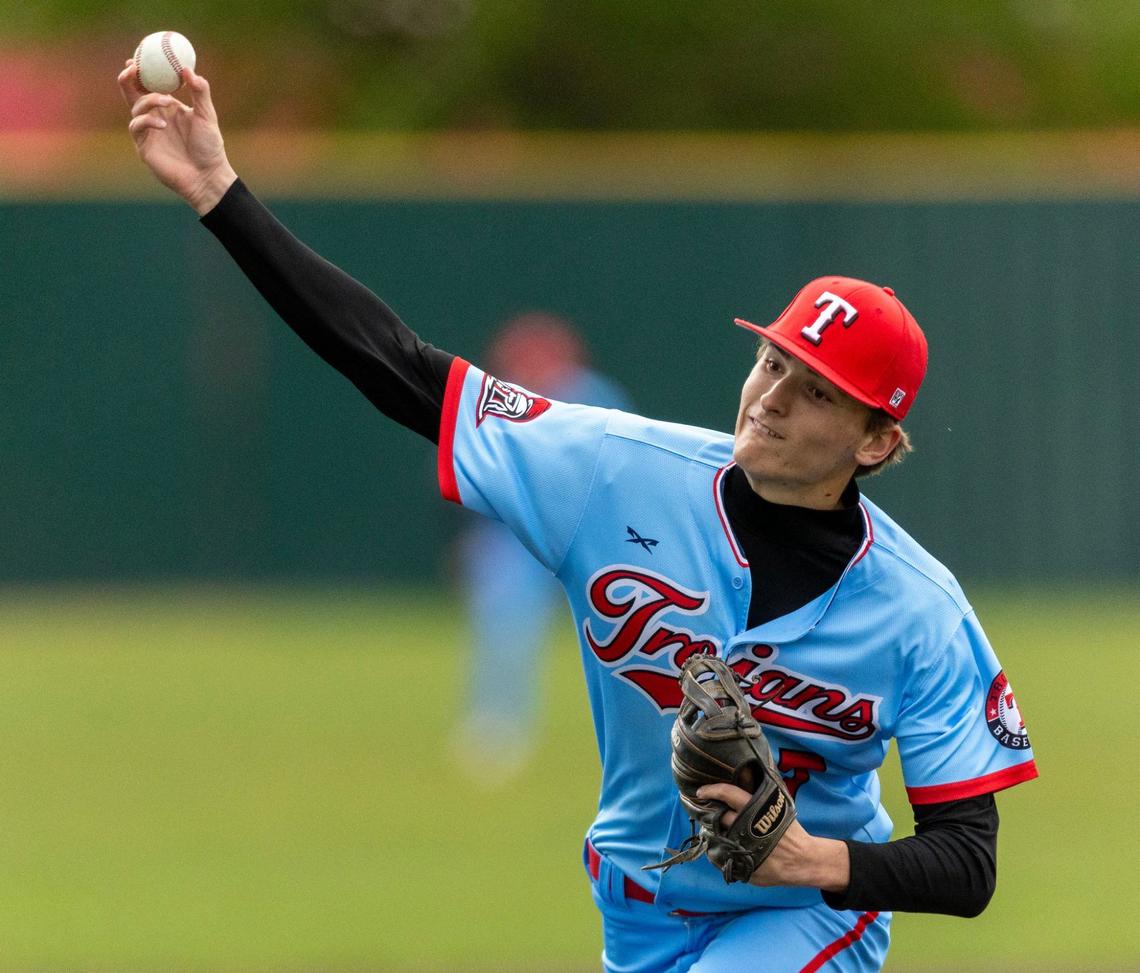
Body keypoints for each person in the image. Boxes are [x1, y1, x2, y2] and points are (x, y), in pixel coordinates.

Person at [118, 63, 1039, 973]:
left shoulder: (920, 610)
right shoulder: (610, 470)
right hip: (636, 905)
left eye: (817, 393)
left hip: (807, 916)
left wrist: (810, 860)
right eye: (772, 365)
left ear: (876, 441)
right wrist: (216, 191)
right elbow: (398, 366)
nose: (770, 399)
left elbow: (967, 860)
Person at [450, 313, 632, 783]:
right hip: (516, 541)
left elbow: (626, 475)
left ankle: (641, 735)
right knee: (503, 629)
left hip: (588, 539)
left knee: (629, 637)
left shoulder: (596, 401)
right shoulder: (502, 401)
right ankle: (497, 726)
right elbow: (479, 475)